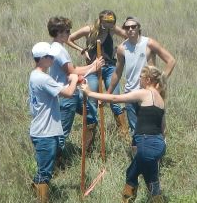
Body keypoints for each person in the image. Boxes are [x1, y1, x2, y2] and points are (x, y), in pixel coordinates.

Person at [85, 64, 167, 203]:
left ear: (148, 80)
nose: (139, 80)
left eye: (141, 77)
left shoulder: (145, 93)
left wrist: (90, 93)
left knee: (132, 174)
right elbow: (163, 129)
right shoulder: (160, 99)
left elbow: (115, 98)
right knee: (150, 176)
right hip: (159, 144)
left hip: (146, 144)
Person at [29, 41, 82, 203]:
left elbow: (54, 88)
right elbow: (68, 93)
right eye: (50, 57)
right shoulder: (44, 79)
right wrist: (74, 79)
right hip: (45, 132)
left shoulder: (35, 75)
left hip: (42, 129)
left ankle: (35, 195)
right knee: (45, 172)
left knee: (45, 168)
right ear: (42, 58)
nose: (53, 59)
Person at [47, 16, 103, 162]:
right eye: (67, 31)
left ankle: (88, 151)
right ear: (58, 32)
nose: (69, 34)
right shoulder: (58, 51)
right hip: (66, 95)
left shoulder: (57, 48)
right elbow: (72, 71)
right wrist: (93, 67)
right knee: (62, 133)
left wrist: (92, 66)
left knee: (91, 115)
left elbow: (72, 70)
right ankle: (53, 165)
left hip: (73, 92)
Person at [110, 16, 176, 138]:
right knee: (135, 131)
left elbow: (171, 61)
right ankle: (138, 150)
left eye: (133, 26)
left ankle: (157, 149)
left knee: (155, 128)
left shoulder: (149, 43)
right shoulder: (122, 48)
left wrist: (160, 81)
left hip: (149, 93)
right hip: (131, 93)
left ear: (138, 28)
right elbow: (117, 73)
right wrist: (108, 93)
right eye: (127, 27)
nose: (130, 29)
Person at [69, 10, 126, 144]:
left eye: (111, 22)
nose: (109, 25)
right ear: (100, 20)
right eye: (106, 22)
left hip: (110, 68)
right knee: (91, 102)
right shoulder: (88, 30)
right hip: (92, 69)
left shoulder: (112, 29)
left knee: (115, 101)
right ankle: (89, 142)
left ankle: (124, 136)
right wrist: (81, 50)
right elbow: (69, 38)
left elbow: (127, 36)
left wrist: (119, 49)